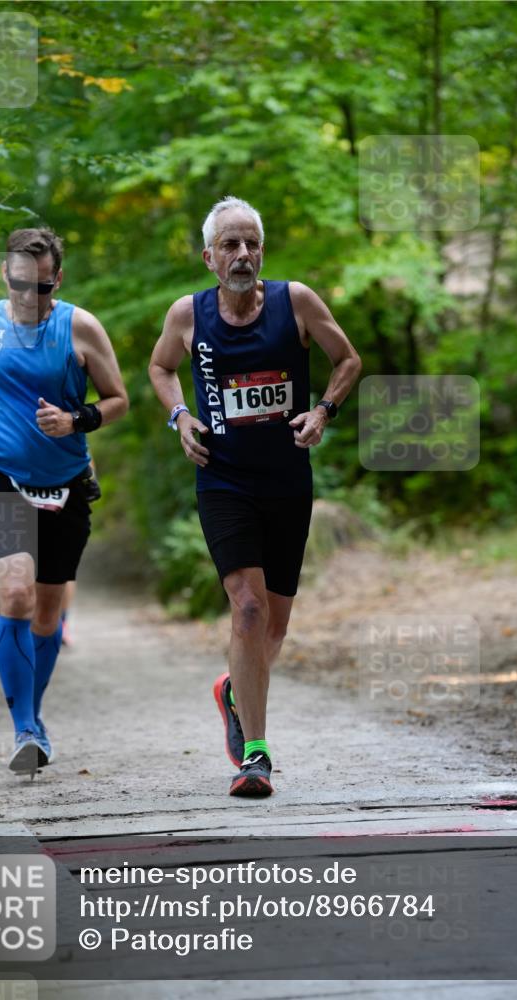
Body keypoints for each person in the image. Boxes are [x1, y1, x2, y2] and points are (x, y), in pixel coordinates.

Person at [149, 196, 362, 797]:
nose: (243, 255)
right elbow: (161, 369)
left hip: (286, 480)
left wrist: (323, 411)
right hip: (223, 478)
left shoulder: (296, 302)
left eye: (251, 244)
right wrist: (181, 417)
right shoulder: (187, 315)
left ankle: (233, 691)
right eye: (231, 245)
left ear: (261, 251)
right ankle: (257, 756)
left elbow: (347, 358)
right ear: (209, 256)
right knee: (247, 607)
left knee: (274, 627)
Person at [0, 226, 129, 775]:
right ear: (5, 274)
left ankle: (34, 714)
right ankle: (24, 729)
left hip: (66, 481)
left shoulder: (80, 327)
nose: (30, 296)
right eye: (21, 284)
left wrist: (76, 420)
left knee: (48, 613)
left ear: (58, 278)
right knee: (17, 595)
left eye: (42, 286)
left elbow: (119, 400)